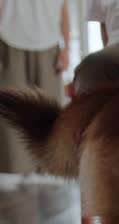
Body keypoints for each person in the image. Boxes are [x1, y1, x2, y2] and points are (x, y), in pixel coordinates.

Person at [0, 0, 70, 173]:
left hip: (49, 44)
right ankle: (14, 184)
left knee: (50, 119)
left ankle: (49, 184)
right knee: (10, 117)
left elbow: (63, 6)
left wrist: (66, 48)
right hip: (8, 40)